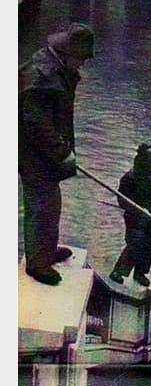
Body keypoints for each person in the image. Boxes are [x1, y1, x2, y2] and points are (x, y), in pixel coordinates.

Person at [18, 22, 95, 285]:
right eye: (81, 59)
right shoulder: (43, 78)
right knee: (41, 206)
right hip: (32, 154)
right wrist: (62, 153)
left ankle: (46, 251)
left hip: (41, 153)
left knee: (50, 204)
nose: (82, 65)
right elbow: (36, 125)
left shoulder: (54, 67)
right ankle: (38, 265)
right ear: (68, 53)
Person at [108, 144, 151, 287]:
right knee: (134, 244)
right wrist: (139, 210)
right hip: (136, 218)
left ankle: (140, 273)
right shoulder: (129, 178)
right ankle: (118, 272)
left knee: (150, 245)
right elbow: (122, 201)